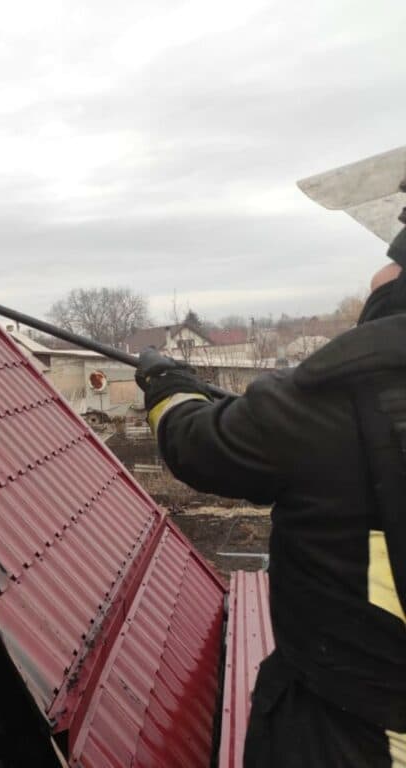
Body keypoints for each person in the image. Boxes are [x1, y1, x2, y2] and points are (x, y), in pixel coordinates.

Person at [135, 219, 406, 766]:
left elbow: (197, 447)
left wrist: (169, 388)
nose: (379, 271)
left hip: (358, 732)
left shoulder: (335, 398)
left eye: (394, 257)